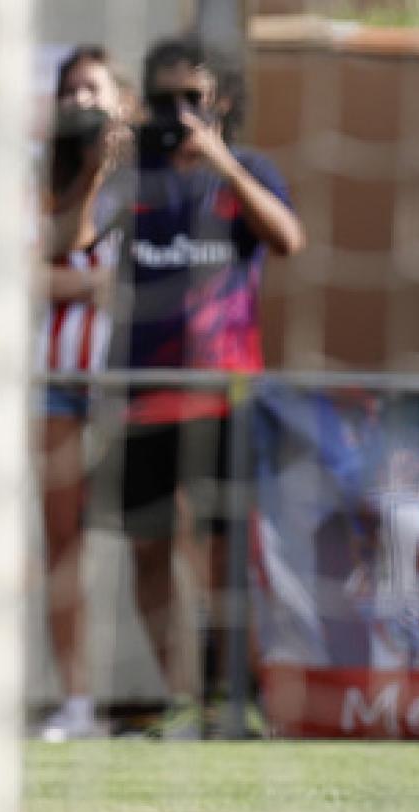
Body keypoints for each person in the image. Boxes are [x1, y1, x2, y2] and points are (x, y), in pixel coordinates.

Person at [97, 36, 304, 737]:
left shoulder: (249, 170)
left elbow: (289, 240)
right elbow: (71, 240)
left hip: (225, 393)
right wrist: (99, 164)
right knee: (148, 549)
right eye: (165, 100)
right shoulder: (134, 177)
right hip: (143, 391)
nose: (180, 113)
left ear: (224, 102)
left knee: (220, 553)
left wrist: (221, 162)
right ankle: (180, 695)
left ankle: (233, 696)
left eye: (194, 98)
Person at [35, 47, 130, 743]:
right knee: (62, 547)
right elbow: (32, 268)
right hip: (58, 386)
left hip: (138, 385)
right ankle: (77, 700)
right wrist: (94, 169)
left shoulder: (154, 172)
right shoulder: (42, 176)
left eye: (93, 89)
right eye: (70, 90)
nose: (80, 102)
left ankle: (193, 693)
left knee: (165, 537)